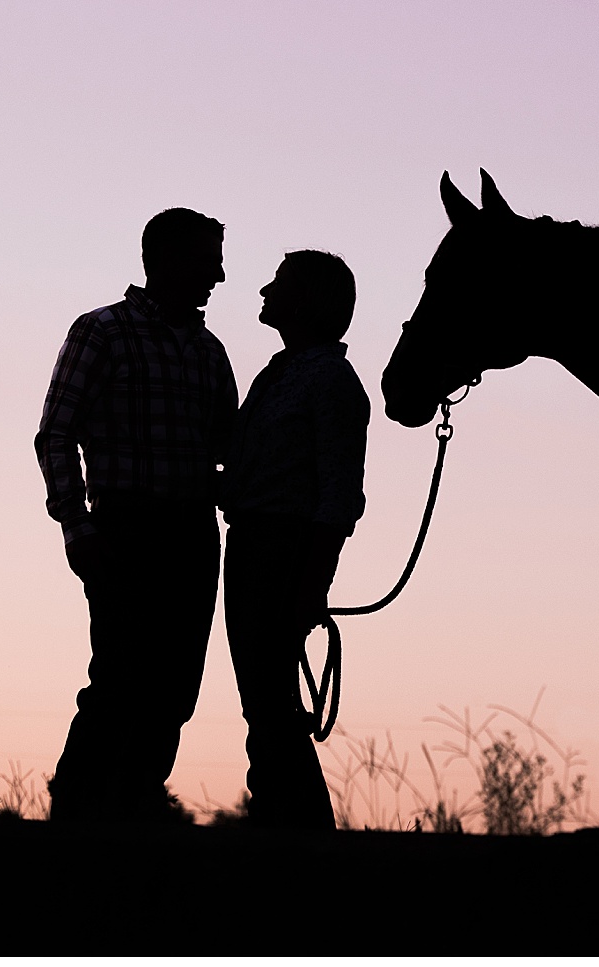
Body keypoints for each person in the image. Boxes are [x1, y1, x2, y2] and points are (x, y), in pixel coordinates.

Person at [35, 208, 238, 821]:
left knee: (175, 690)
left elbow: (229, 451)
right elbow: (55, 434)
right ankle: (77, 808)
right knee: (121, 680)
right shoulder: (103, 332)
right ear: (167, 261)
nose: (220, 276)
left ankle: (133, 807)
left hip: (194, 536)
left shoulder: (209, 352)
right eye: (208, 262)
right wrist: (77, 524)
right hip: (125, 531)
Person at [220, 250, 369, 828]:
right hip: (256, 546)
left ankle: (297, 831)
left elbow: (338, 497)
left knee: (270, 705)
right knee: (266, 703)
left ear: (304, 301)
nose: (263, 290)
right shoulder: (282, 372)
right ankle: (286, 826)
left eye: (278, 283)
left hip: (279, 553)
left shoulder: (329, 379)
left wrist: (311, 584)